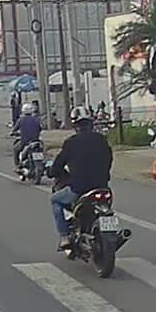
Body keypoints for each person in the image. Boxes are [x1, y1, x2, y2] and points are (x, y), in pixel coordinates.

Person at [47, 106, 114, 250]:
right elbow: (109, 159)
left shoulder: (71, 142)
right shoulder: (102, 140)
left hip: (79, 188)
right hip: (103, 187)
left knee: (55, 200)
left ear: (75, 125)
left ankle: (64, 236)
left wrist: (51, 172)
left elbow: (58, 164)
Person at [12, 102, 43, 170]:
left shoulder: (21, 120)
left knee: (15, 149)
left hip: (25, 142)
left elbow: (14, 130)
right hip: (36, 141)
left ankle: (17, 166)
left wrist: (13, 133)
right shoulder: (37, 119)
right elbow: (40, 128)